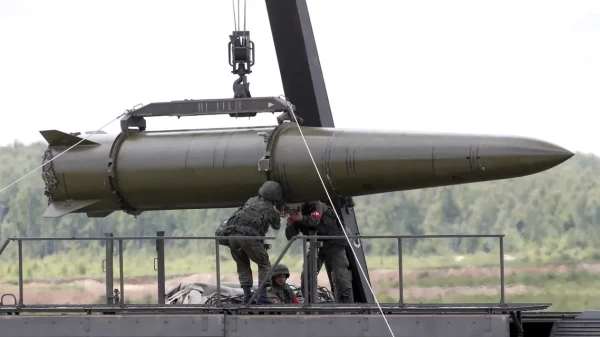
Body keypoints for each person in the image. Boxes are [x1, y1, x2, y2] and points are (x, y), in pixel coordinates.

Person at [219, 181, 284, 305]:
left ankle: (247, 296)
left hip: (231, 235)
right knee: (264, 264)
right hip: (247, 237)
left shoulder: (250, 200)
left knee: (243, 265)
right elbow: (276, 226)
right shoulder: (271, 209)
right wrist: (279, 215)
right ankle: (263, 296)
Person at [286, 201, 354, 303]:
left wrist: (301, 218)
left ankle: (345, 301)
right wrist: (290, 225)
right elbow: (290, 236)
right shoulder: (298, 213)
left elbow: (315, 221)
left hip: (334, 242)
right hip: (317, 244)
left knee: (340, 273)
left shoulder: (316, 205)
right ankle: (309, 300)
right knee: (308, 271)